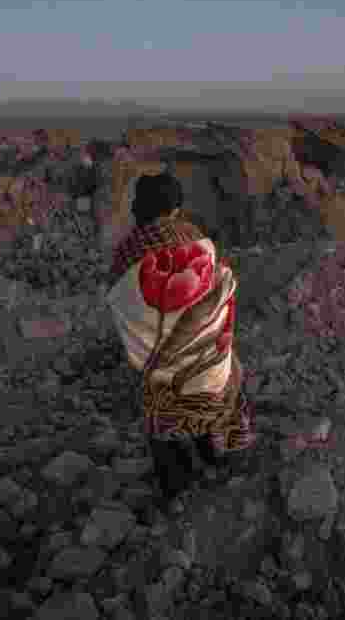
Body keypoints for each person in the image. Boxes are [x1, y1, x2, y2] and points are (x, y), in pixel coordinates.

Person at [105, 172, 256, 512]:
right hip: (206, 360)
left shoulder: (123, 254)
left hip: (159, 368)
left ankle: (177, 490)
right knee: (216, 380)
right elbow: (220, 292)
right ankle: (222, 459)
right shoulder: (194, 237)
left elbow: (123, 307)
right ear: (175, 208)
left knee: (160, 404)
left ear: (137, 211)